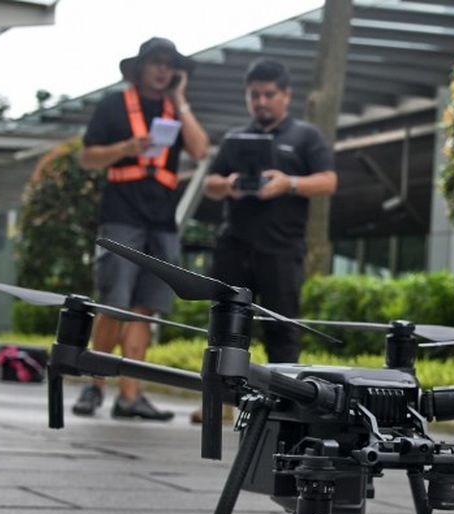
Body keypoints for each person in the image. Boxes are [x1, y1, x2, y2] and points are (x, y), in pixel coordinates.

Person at [72, 37, 210, 421]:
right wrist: (125, 148)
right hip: (122, 216)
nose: (163, 70)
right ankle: (94, 385)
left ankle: (130, 396)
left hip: (161, 221)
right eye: (156, 62)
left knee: (146, 308)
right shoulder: (114, 105)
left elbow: (201, 151)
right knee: (114, 303)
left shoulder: (174, 110)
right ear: (141, 68)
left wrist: (181, 101)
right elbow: (86, 157)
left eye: (169, 64)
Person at [203, 58, 337, 364]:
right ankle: (221, 393)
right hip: (234, 248)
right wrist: (230, 185)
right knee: (225, 328)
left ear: (286, 95)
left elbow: (329, 181)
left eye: (268, 94)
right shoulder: (234, 138)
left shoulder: (306, 136)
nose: (261, 102)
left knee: (282, 331)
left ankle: (282, 393)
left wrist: (288, 183)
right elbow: (209, 184)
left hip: (282, 251)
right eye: (254, 95)